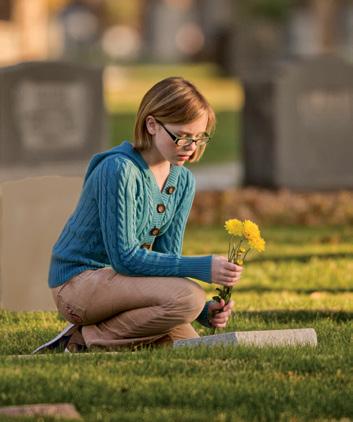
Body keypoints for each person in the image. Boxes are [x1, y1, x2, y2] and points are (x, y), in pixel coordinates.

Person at [32, 77, 242, 354]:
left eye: (199, 137)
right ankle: (83, 340)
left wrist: (205, 312)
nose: (191, 146)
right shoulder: (118, 170)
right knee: (187, 298)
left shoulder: (182, 181)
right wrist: (203, 268)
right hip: (78, 284)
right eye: (182, 136)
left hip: (122, 284)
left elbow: (168, 260)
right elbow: (125, 257)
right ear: (152, 125)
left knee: (188, 342)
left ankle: (89, 338)